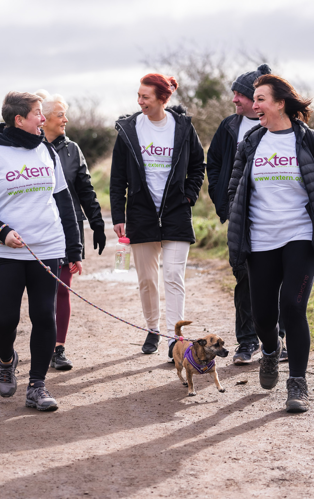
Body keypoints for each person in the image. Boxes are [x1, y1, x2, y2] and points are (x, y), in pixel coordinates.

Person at [228, 74, 314, 412]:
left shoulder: (312, 141)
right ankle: (268, 350)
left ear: (280, 103)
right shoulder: (251, 142)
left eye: (261, 98)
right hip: (261, 238)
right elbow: (237, 188)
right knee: (263, 317)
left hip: (301, 235)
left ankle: (297, 384)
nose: (255, 104)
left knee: (292, 307)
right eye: (255, 99)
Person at [0, 91, 83, 412]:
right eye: (37, 114)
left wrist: (74, 249)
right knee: (3, 321)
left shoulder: (47, 150)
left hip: (47, 247)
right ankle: (7, 360)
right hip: (5, 252)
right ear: (19, 120)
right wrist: (2, 232)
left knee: (45, 316)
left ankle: (37, 385)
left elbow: (63, 202)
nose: (43, 119)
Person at [110, 73, 205, 360]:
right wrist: (118, 215)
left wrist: (188, 195)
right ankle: (153, 328)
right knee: (147, 280)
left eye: (145, 97)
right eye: (138, 96)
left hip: (176, 212)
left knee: (174, 276)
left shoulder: (183, 127)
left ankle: (175, 339)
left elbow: (198, 164)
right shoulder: (129, 130)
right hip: (140, 214)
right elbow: (117, 178)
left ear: (163, 98)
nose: (140, 102)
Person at [207, 64, 288, 365]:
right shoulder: (230, 126)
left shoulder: (284, 127)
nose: (235, 101)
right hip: (242, 220)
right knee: (244, 280)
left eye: (239, 95)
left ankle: (279, 341)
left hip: (277, 219)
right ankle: (246, 342)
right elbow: (213, 162)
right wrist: (222, 200)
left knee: (280, 282)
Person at [36, 89, 106, 370]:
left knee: (61, 291)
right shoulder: (28, 148)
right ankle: (35, 344)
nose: (66, 119)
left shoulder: (72, 150)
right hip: (36, 230)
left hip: (67, 229)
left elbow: (85, 190)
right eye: (60, 114)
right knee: (39, 293)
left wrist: (97, 223)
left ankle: (58, 348)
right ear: (44, 119)